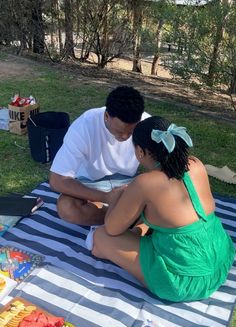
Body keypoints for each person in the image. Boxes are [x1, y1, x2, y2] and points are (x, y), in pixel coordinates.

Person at [91, 116, 235, 302]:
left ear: (141, 152)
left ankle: (137, 242)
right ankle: (141, 236)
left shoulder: (145, 183)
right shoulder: (196, 164)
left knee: (100, 238)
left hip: (183, 282)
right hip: (220, 262)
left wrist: (114, 198)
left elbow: (111, 228)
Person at [49, 86, 149, 226]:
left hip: (129, 184)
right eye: (120, 131)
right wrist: (106, 197)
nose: (125, 137)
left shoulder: (147, 125)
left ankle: (122, 219)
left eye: (131, 132)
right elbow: (57, 180)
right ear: (107, 116)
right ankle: (127, 219)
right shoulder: (84, 126)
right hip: (90, 184)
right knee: (67, 208)